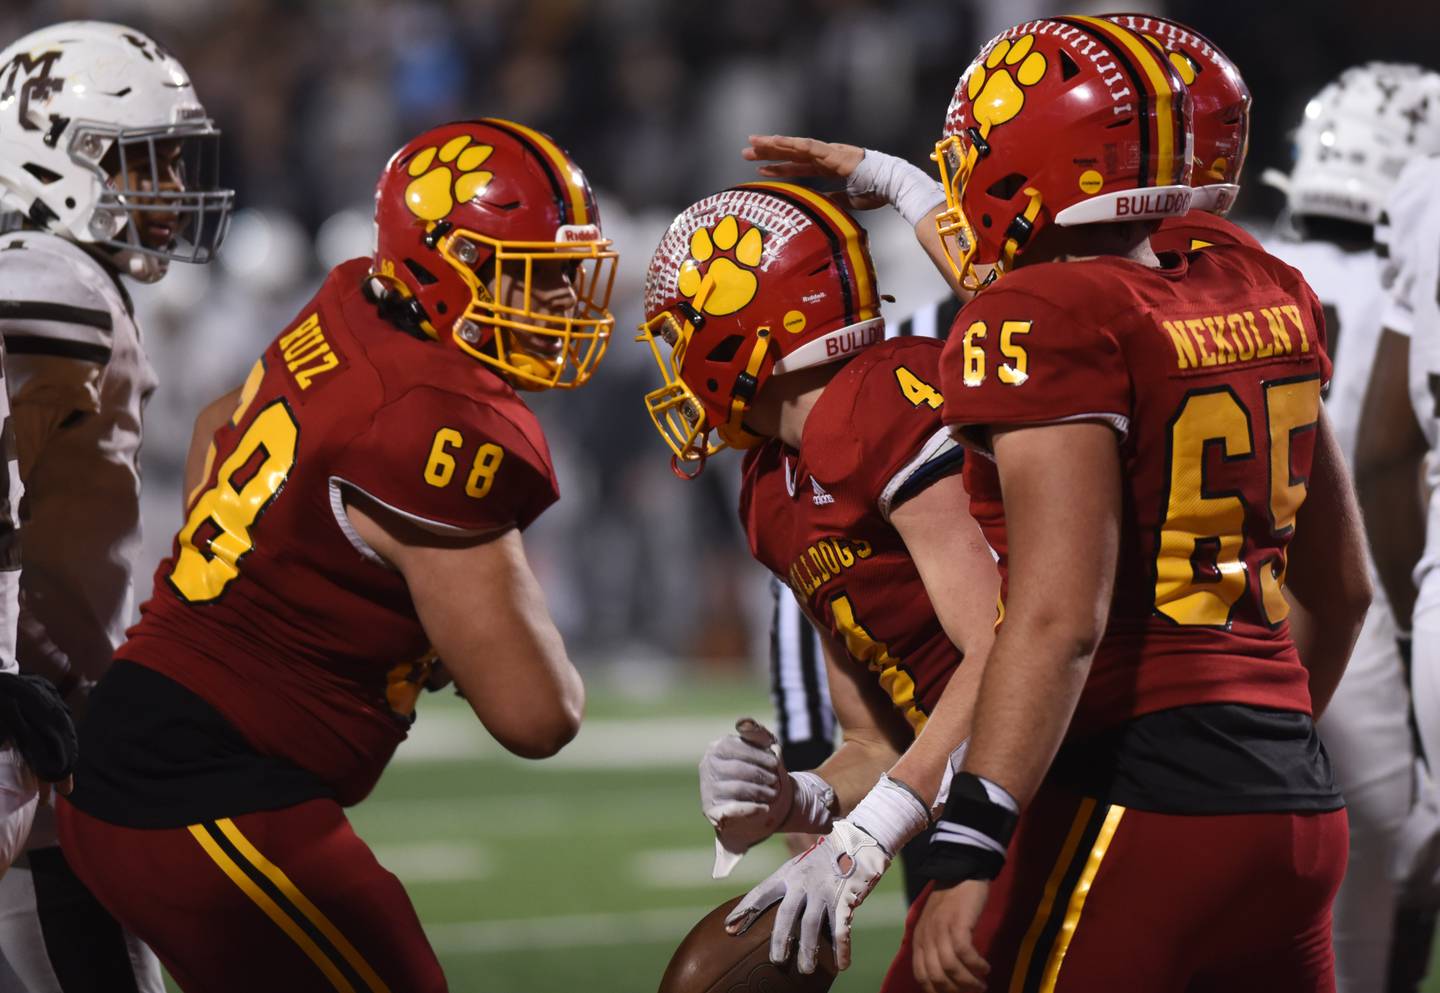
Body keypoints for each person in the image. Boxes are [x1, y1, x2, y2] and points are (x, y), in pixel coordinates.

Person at [727, 16, 1368, 992]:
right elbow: (1346, 587)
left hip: (1133, 792)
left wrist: (965, 842)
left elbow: (1059, 619)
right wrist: (1258, 751)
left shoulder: (1040, 323)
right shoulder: (1254, 283)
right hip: (1293, 803)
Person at [53, 117, 613, 992]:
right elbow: (539, 713)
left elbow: (216, 428)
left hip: (152, 746)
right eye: (532, 278)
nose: (563, 307)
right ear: (443, 266)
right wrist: (448, 633)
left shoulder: (358, 303)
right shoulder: (441, 421)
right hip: (198, 788)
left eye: (568, 277)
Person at [635, 181, 1000, 973]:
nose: (678, 358)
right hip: (965, 792)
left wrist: (876, 828)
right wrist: (790, 798)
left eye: (685, 330)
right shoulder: (773, 485)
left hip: (1047, 780)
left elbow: (1006, 648)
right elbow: (874, 737)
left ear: (747, 329)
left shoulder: (884, 403)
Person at [0, 20, 233, 993]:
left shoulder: (61, 277)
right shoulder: (51, 279)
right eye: (144, 164)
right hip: (30, 743)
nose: (171, 191)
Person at [1263, 63, 1440, 993]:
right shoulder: (1398, 291)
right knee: (1396, 845)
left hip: (1225, 600)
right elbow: (1391, 464)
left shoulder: (1242, 264)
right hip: (1365, 593)